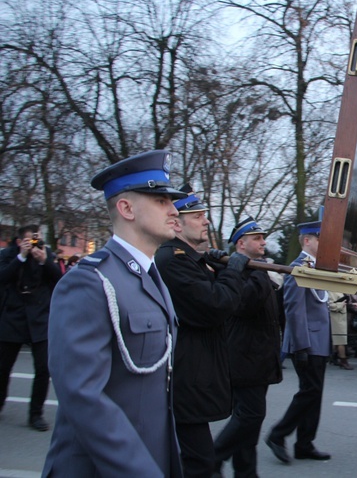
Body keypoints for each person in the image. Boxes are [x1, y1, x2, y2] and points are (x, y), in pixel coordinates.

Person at [43, 150, 184, 476]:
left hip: (150, 453)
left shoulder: (149, 277)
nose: (174, 209)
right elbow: (82, 396)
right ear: (126, 208)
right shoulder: (90, 282)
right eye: (161, 200)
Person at [155, 184, 247, 476]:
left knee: (196, 461)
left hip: (193, 375)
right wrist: (231, 270)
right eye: (198, 216)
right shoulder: (172, 259)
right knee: (200, 464)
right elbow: (216, 305)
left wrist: (218, 268)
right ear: (177, 222)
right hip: (186, 377)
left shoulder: (187, 258)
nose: (206, 221)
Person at [213, 216, 284, 477]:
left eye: (262, 237)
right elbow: (242, 304)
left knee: (250, 421)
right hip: (245, 356)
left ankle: (246, 472)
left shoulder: (254, 269)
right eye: (257, 238)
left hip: (257, 357)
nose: (263, 241)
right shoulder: (237, 270)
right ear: (241, 244)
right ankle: (213, 458)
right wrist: (263, 274)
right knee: (250, 416)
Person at [266, 219, 331, 463]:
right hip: (307, 342)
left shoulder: (317, 267)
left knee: (315, 393)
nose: (325, 244)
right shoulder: (298, 268)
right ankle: (277, 434)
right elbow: (293, 308)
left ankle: (305, 443)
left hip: (319, 341)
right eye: (320, 239)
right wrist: (301, 344)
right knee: (309, 391)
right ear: (307, 240)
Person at [0, 225, 62, 431]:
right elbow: (3, 278)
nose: (35, 244)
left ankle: (36, 414)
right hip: (13, 317)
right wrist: (22, 257)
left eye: (37, 239)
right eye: (30, 241)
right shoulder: (8, 255)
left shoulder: (45, 253)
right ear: (19, 241)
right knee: (3, 368)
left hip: (39, 318)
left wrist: (44, 260)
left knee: (43, 369)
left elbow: (58, 279)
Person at [328, 291, 353, 370]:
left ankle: (335, 357)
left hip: (341, 318)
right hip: (337, 319)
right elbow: (330, 305)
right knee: (340, 340)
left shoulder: (339, 291)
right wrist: (341, 305)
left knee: (340, 340)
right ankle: (343, 360)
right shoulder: (331, 291)